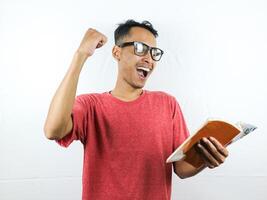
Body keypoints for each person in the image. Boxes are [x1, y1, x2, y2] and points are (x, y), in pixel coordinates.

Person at [44, 20, 229, 200]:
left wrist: (206, 159)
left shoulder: (167, 104)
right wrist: (81, 55)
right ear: (117, 52)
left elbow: (181, 168)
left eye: (154, 52)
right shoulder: (90, 105)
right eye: (140, 49)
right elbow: (53, 130)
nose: (149, 59)